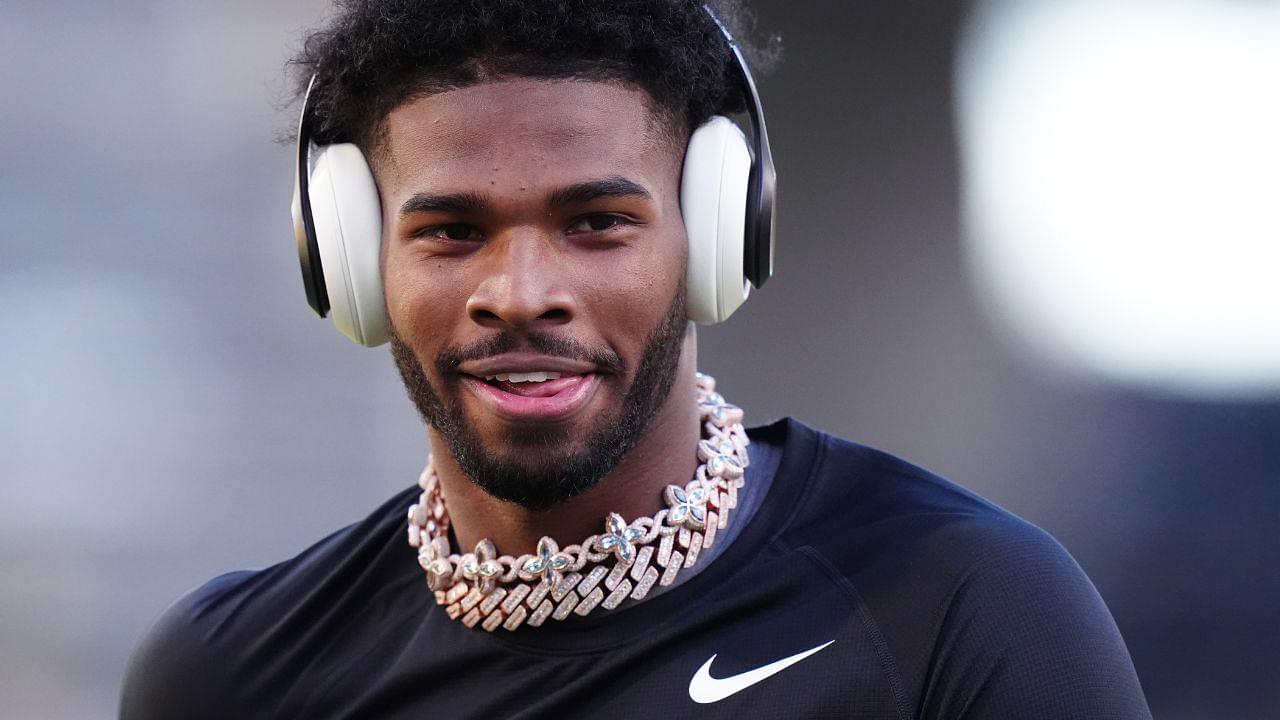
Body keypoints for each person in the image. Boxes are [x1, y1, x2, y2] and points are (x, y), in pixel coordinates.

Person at [120, 1, 1152, 717]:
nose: (520, 293)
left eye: (596, 222)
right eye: (449, 232)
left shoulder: (961, 608)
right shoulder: (232, 678)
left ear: (714, 233)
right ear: (347, 263)